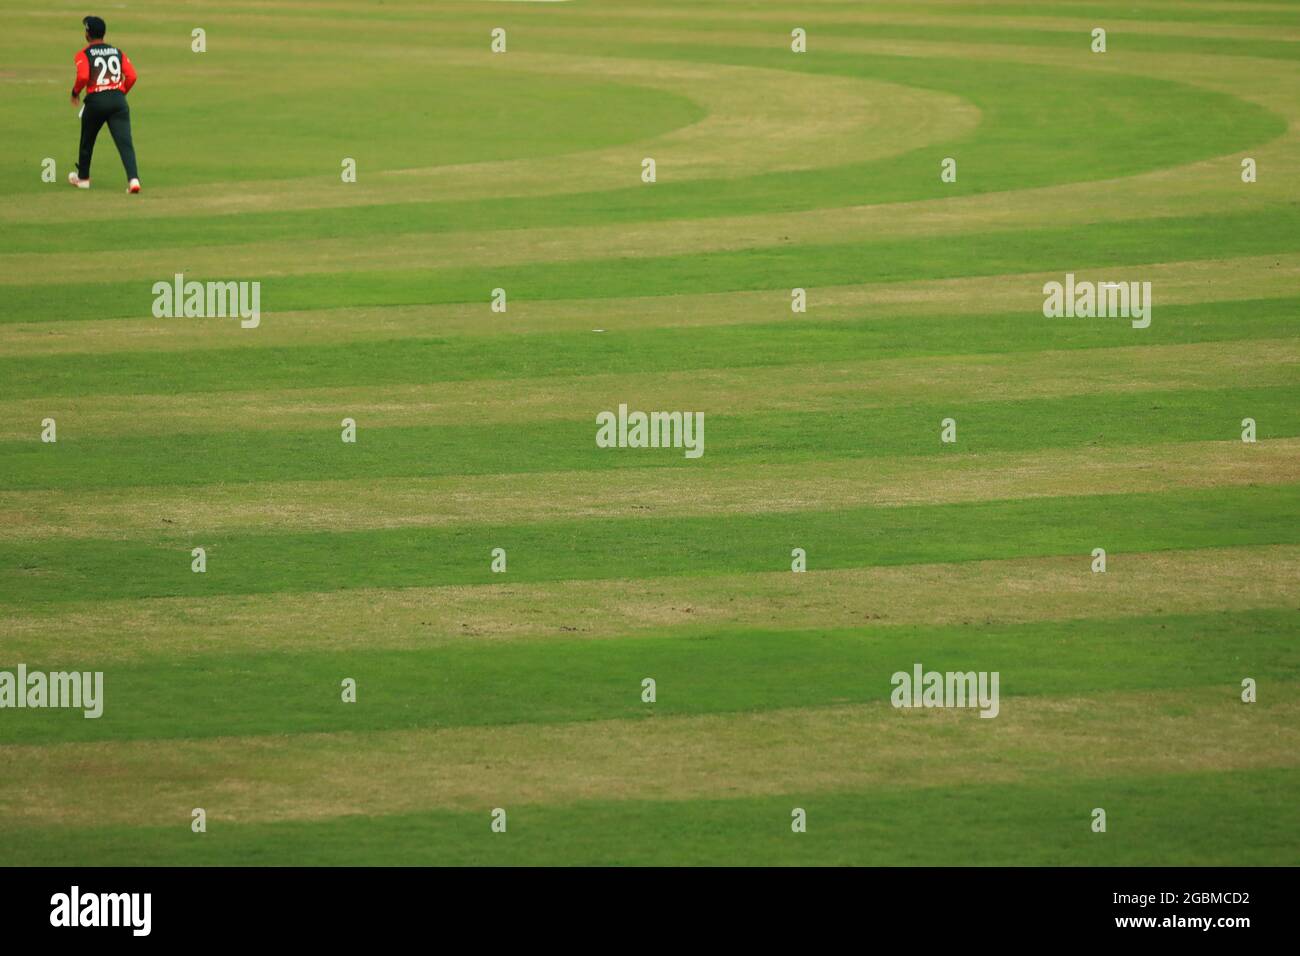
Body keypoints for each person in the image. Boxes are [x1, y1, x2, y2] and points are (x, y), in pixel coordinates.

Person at [68, 15, 141, 193]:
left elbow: (84, 76)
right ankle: (133, 180)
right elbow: (132, 76)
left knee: (87, 140)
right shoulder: (117, 51)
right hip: (118, 102)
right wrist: (119, 92)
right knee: (125, 143)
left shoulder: (83, 54)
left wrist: (75, 92)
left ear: (87, 34)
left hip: (96, 102)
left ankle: (83, 178)